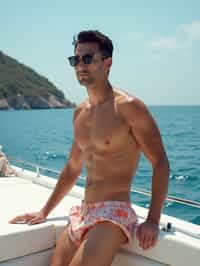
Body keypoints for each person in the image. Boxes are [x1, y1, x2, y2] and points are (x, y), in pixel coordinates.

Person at [10, 30, 170, 266]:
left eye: (88, 58)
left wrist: (153, 220)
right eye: (76, 60)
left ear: (108, 63)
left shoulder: (129, 107)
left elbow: (160, 162)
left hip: (114, 214)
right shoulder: (80, 113)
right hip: (83, 212)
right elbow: (73, 167)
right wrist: (44, 211)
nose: (80, 66)